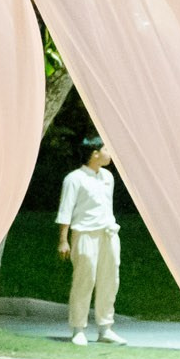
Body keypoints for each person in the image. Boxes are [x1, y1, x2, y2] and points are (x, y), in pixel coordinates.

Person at [55, 137, 125, 346]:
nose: (109, 153)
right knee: (84, 280)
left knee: (110, 280)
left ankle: (105, 328)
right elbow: (66, 210)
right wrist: (63, 240)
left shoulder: (108, 177)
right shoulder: (74, 179)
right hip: (84, 234)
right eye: (105, 149)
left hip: (108, 234)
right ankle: (78, 328)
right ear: (94, 153)